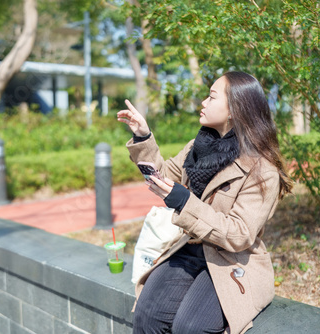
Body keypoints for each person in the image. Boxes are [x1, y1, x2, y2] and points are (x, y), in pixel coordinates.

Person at [117, 71, 293, 334]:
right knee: (147, 314)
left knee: (190, 327)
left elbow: (240, 234)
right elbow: (162, 177)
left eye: (211, 97)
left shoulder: (262, 169)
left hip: (232, 260)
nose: (203, 102)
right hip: (189, 247)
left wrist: (184, 201)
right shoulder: (196, 146)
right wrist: (143, 137)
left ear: (234, 109)